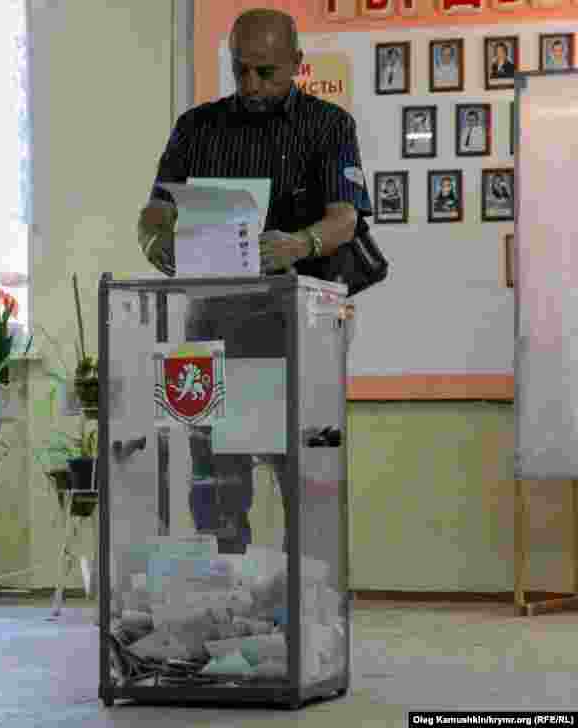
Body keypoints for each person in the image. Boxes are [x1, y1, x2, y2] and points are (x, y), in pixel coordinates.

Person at [136, 8, 372, 555]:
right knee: (217, 476)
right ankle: (224, 599)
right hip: (214, 324)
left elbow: (346, 218)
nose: (250, 85)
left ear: (297, 64)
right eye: (239, 70)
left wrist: (300, 243)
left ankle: (304, 605)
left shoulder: (329, 125)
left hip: (297, 327)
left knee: (302, 473)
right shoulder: (197, 127)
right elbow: (156, 211)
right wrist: (156, 243)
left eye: (265, 72)